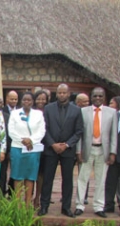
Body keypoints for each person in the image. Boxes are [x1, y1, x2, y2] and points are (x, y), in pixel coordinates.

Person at [38, 84, 83, 217]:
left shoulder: (76, 110)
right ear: (56, 94)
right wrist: (53, 144)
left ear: (69, 94)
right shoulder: (48, 108)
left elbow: (79, 131)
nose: (62, 95)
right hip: (51, 149)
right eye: (59, 93)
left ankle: (66, 207)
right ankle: (44, 206)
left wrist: (67, 145)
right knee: (47, 179)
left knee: (67, 179)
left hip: (67, 150)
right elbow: (43, 128)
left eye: (64, 92)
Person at [74, 88, 117, 218]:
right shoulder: (83, 111)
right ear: (91, 97)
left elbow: (113, 134)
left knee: (101, 179)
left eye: (100, 96)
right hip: (87, 149)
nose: (98, 98)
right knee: (82, 178)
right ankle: (79, 205)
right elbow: (79, 133)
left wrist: (112, 152)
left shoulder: (112, 112)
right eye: (95, 96)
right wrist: (78, 151)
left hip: (103, 150)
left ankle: (99, 206)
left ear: (104, 98)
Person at [8, 92, 45, 206]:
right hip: (18, 147)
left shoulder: (38, 114)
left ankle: (28, 202)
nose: (26, 102)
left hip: (32, 149)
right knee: (18, 176)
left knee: (30, 177)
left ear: (32, 102)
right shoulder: (15, 113)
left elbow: (41, 131)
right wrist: (23, 141)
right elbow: (11, 131)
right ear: (21, 101)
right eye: (24, 100)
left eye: (29, 100)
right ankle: (17, 203)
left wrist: (31, 140)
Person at [32, 90, 50, 208]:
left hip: (46, 146)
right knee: (30, 174)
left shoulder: (50, 112)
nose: (41, 101)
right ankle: (28, 197)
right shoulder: (30, 112)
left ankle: (37, 198)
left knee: (41, 175)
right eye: (38, 98)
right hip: (31, 145)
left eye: (43, 99)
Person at [105, 96, 120, 213]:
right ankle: (109, 204)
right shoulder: (111, 117)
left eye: (112, 103)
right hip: (114, 153)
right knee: (110, 180)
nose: (110, 106)